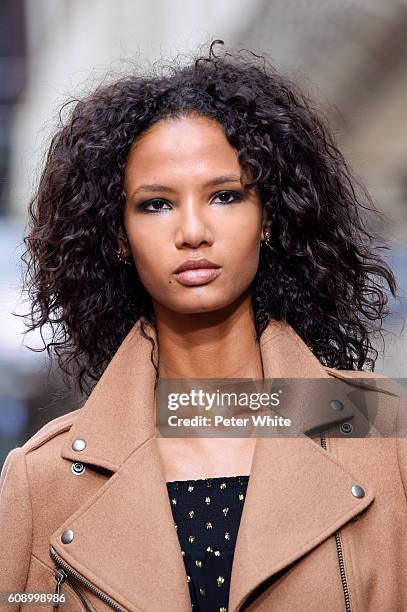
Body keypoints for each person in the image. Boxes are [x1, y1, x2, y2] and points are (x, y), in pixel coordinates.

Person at [0, 39, 406, 612]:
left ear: (268, 218)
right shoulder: (45, 477)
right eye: (156, 204)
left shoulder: (383, 431)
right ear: (117, 235)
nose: (192, 230)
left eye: (224, 195)